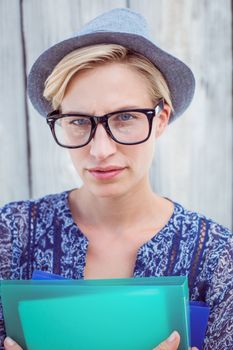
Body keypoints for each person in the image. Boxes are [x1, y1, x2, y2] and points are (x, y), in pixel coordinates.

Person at [0, 8, 232, 350]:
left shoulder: (217, 257)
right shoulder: (11, 234)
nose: (100, 150)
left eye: (124, 117)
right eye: (78, 121)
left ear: (161, 118)